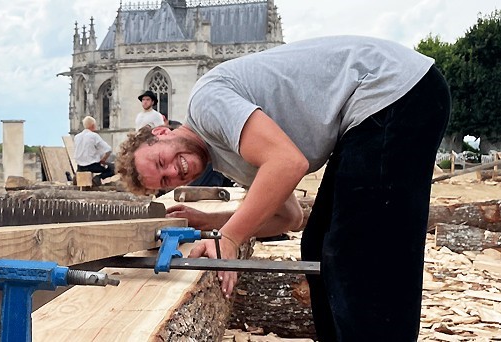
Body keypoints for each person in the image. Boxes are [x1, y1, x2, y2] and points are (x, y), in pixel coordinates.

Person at [115, 36, 450, 341]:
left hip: (394, 91)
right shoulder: (226, 157)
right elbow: (288, 217)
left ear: (161, 133)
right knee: (318, 243)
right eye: (165, 182)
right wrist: (210, 221)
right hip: (378, 104)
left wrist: (228, 238)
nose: (175, 172)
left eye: (162, 162)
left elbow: (288, 163)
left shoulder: (205, 104)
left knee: (359, 248)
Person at [74, 116, 115, 185]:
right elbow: (108, 149)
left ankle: (76, 177)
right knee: (114, 168)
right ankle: (98, 178)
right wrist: (103, 160)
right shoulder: (94, 136)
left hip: (80, 167)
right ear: (93, 125)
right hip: (92, 166)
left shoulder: (77, 137)